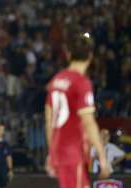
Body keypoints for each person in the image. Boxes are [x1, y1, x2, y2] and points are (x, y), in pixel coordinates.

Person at [44, 32, 110, 188]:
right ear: (90, 56)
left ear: (68, 54)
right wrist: (102, 156)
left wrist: (51, 153)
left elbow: (49, 121)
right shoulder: (81, 82)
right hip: (73, 152)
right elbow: (89, 122)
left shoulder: (56, 80)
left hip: (61, 152)